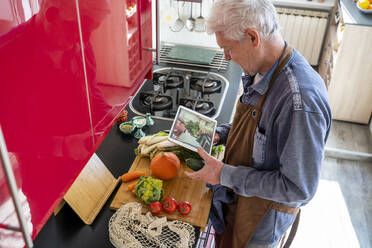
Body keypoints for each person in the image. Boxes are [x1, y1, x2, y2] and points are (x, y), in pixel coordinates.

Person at [185, 0, 332, 247]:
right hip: (239, 201)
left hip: (260, 223)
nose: (227, 58)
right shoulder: (262, 70)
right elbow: (260, 137)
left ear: (253, 37)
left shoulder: (300, 102)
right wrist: (219, 134)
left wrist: (224, 174)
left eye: (228, 49)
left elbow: (298, 189)